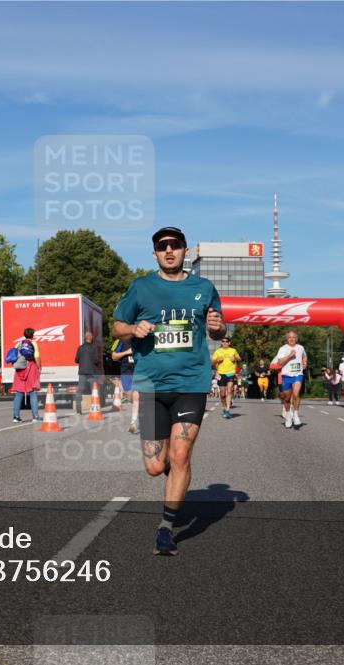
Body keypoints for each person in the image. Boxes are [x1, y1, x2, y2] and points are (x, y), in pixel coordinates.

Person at [112, 226, 226, 555]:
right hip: (150, 386)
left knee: (181, 456)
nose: (169, 250)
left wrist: (219, 329)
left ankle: (166, 528)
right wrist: (133, 328)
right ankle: (171, 474)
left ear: (185, 251)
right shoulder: (141, 287)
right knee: (154, 466)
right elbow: (117, 325)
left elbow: (219, 330)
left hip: (191, 383)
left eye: (175, 245)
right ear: (155, 254)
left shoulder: (203, 288)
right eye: (163, 246)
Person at [271, 330, 308, 429]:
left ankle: (296, 415)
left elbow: (304, 356)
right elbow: (280, 363)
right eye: (289, 337)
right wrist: (289, 356)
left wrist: (305, 362)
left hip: (298, 374)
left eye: (293, 337)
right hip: (286, 376)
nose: (292, 339)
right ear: (287, 339)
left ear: (296, 338)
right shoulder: (282, 349)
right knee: (287, 399)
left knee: (296, 394)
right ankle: (288, 415)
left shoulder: (300, 348)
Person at [11, 327, 41, 423]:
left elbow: (13, 357)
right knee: (32, 392)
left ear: (24, 334)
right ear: (32, 335)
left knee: (19, 393)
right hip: (31, 368)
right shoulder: (33, 343)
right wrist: (39, 367)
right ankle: (35, 416)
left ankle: (16, 417)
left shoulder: (18, 344)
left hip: (19, 369)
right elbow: (36, 357)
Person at [111, 337, 140, 433]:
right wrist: (127, 352)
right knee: (130, 396)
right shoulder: (120, 341)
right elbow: (114, 356)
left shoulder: (141, 339)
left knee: (136, 397)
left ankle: (133, 422)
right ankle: (136, 417)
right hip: (126, 372)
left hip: (139, 372)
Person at [211, 337, 242, 418]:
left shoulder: (233, 350)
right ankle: (224, 407)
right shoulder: (218, 351)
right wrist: (217, 360)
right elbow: (212, 362)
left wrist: (235, 358)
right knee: (222, 394)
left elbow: (239, 359)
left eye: (226, 341)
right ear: (221, 343)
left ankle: (228, 410)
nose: (224, 343)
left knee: (229, 390)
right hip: (221, 374)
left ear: (229, 343)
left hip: (230, 373)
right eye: (223, 341)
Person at [74, 330, 102, 415]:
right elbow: (96, 360)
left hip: (82, 372)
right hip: (91, 372)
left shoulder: (80, 347)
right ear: (91, 337)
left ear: (85, 338)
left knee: (79, 390)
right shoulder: (94, 348)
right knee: (94, 391)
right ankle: (95, 408)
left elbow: (76, 360)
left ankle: (78, 410)